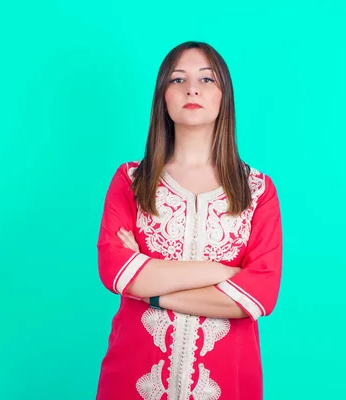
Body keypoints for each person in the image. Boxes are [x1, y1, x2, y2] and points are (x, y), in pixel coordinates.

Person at [95, 41, 283, 400]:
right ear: (162, 96)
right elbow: (114, 269)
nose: (192, 88)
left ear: (224, 96)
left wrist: (149, 287)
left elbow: (258, 298)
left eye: (207, 79)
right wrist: (225, 272)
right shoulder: (130, 182)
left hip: (228, 383)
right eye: (177, 79)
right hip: (133, 377)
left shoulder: (258, 191)